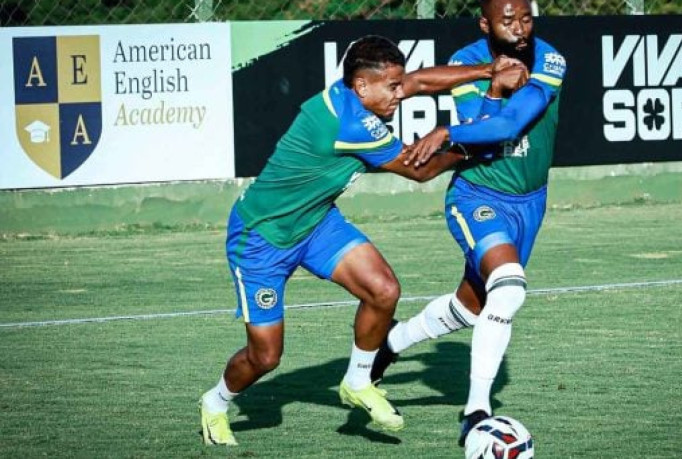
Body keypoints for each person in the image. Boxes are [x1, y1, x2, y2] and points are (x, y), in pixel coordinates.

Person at [197, 35, 521, 446]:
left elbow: (418, 82)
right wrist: (477, 140)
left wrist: (486, 70)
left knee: (383, 290)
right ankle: (216, 401)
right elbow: (420, 170)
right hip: (262, 238)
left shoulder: (354, 94)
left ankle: (357, 380)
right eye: (391, 87)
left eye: (397, 84)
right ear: (361, 86)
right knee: (266, 357)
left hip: (316, 223)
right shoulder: (352, 125)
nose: (399, 94)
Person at [369, 0, 568, 447]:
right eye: (507, 20)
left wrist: (445, 131)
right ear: (485, 23)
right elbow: (484, 129)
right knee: (510, 286)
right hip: (478, 195)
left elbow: (513, 121)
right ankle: (477, 409)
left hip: (530, 202)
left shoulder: (551, 60)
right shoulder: (464, 63)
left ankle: (388, 346)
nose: (520, 28)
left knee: (471, 307)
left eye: (526, 18)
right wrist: (486, 93)